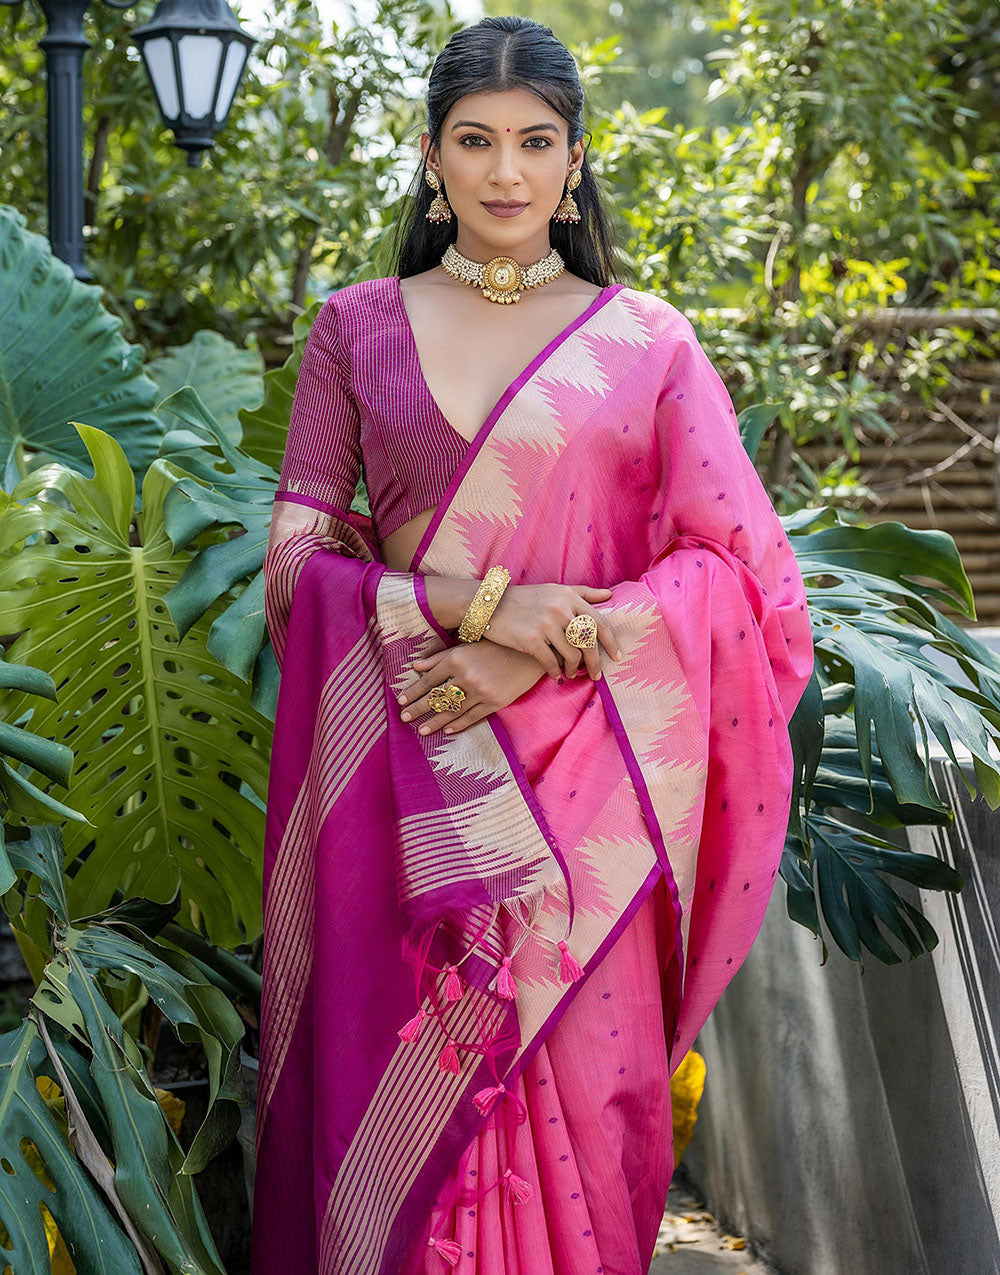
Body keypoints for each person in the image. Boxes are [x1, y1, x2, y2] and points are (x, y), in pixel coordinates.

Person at [251, 15, 814, 1275]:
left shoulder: (650, 344)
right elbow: (294, 571)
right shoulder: (355, 331)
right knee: (385, 1132)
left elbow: (745, 580)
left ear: (574, 163)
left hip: (594, 808)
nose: (505, 173)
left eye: (535, 143)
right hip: (410, 787)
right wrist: (473, 606)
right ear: (431, 157)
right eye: (475, 141)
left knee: (579, 1137)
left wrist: (536, 648)